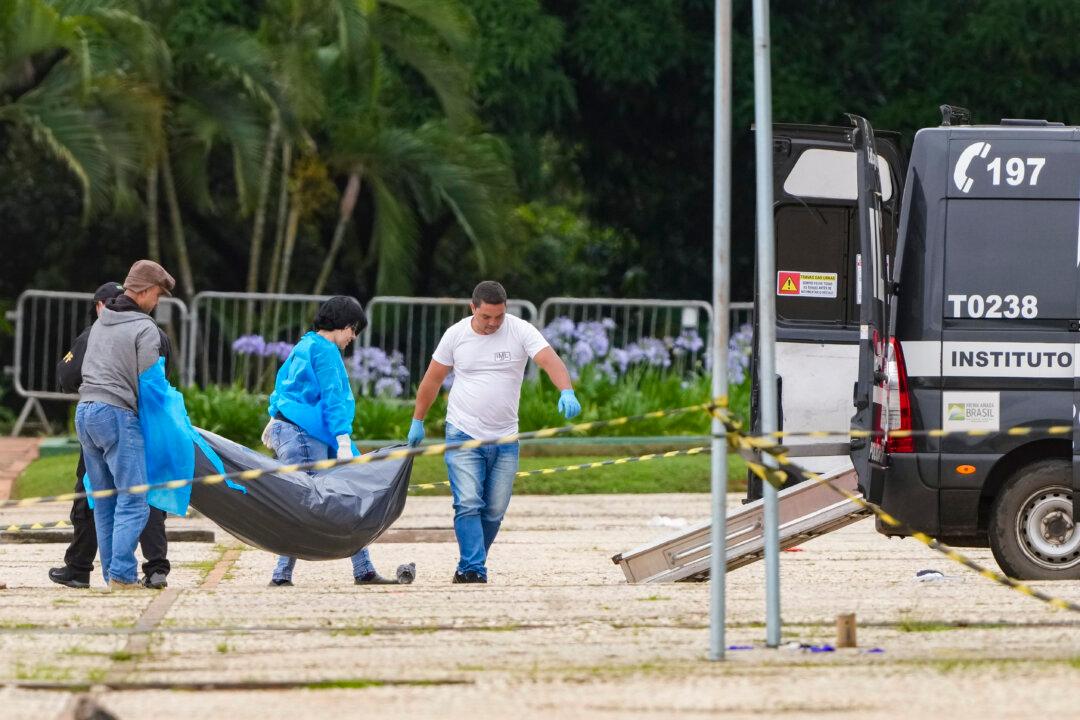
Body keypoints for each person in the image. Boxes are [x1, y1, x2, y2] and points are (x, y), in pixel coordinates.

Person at [408, 281, 581, 584]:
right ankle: (475, 569)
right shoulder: (455, 335)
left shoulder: (519, 329)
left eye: (498, 317)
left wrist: (566, 390)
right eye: (486, 317)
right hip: (463, 432)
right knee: (468, 503)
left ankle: (467, 567)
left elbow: (548, 360)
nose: (493, 323)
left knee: (494, 510)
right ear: (472, 308)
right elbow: (433, 379)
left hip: (505, 438)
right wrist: (418, 420)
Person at [262, 296, 393, 587]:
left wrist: (274, 418)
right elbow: (335, 396)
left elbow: (283, 383)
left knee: (313, 500)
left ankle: (361, 568)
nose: (353, 337)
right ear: (343, 324)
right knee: (323, 502)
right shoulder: (326, 351)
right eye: (353, 329)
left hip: (287, 429)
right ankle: (285, 574)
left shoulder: (303, 344)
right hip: (306, 435)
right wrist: (343, 437)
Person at [49, 282, 171, 589]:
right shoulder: (146, 329)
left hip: (87, 413)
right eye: (157, 295)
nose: (156, 303)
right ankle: (127, 572)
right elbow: (153, 383)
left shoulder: (97, 328)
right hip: (120, 415)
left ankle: (97, 572)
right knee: (136, 499)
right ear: (145, 291)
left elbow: (66, 375)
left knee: (101, 501)